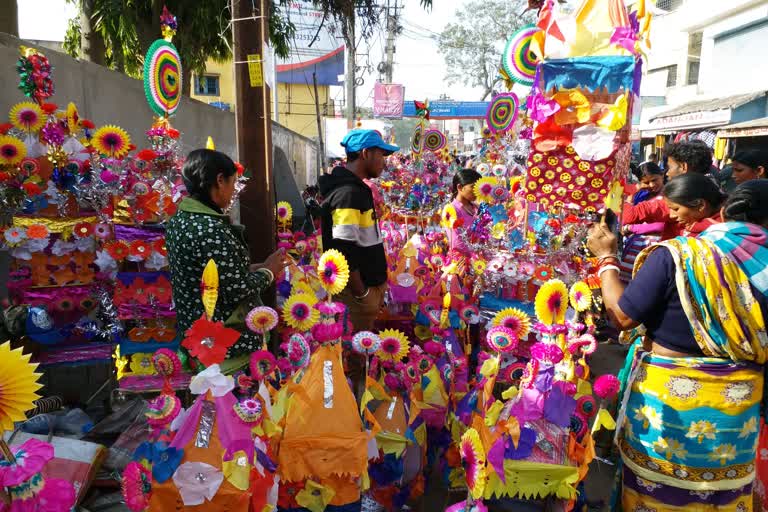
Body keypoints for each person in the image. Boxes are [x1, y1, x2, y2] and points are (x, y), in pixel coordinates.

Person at [586, 180, 768, 511]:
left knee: (655, 494)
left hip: (669, 411)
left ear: (722, 210)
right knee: (722, 496)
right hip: (737, 415)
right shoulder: (763, 266)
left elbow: (622, 317)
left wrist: (607, 258)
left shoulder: (678, 255)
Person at [166, 149, 287, 357]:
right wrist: (269, 271)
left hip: (196, 333)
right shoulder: (211, 227)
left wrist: (251, 268)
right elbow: (236, 290)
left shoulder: (180, 220)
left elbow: (205, 272)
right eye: (233, 183)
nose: (233, 192)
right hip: (223, 344)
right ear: (220, 180)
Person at [319, 129, 398, 331]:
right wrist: (362, 294)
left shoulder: (356, 189)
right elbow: (343, 250)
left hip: (365, 290)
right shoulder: (349, 193)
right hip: (356, 295)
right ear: (365, 153)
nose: (384, 161)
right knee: (355, 355)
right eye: (381, 154)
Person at [622, 142, 716, 240]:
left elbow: (629, 216)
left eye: (670, 167)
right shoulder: (713, 188)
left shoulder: (681, 195)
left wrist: (627, 196)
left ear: (683, 167)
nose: (667, 173)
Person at [619, 163, 665, 281]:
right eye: (646, 182)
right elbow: (624, 218)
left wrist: (632, 228)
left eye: (655, 180)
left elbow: (662, 225)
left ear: (662, 175)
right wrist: (633, 193)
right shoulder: (641, 196)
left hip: (653, 250)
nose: (652, 185)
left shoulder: (668, 196)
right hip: (634, 249)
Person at [662, 172, 724, 236]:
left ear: (701, 205)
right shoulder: (690, 223)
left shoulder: (720, 232)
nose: (671, 215)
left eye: (676, 209)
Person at [442, 168, 482, 253]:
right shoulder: (450, 209)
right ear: (460, 187)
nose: (476, 191)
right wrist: (475, 256)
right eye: (473, 187)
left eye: (478, 187)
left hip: (480, 259)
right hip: (462, 261)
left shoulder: (477, 208)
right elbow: (457, 243)